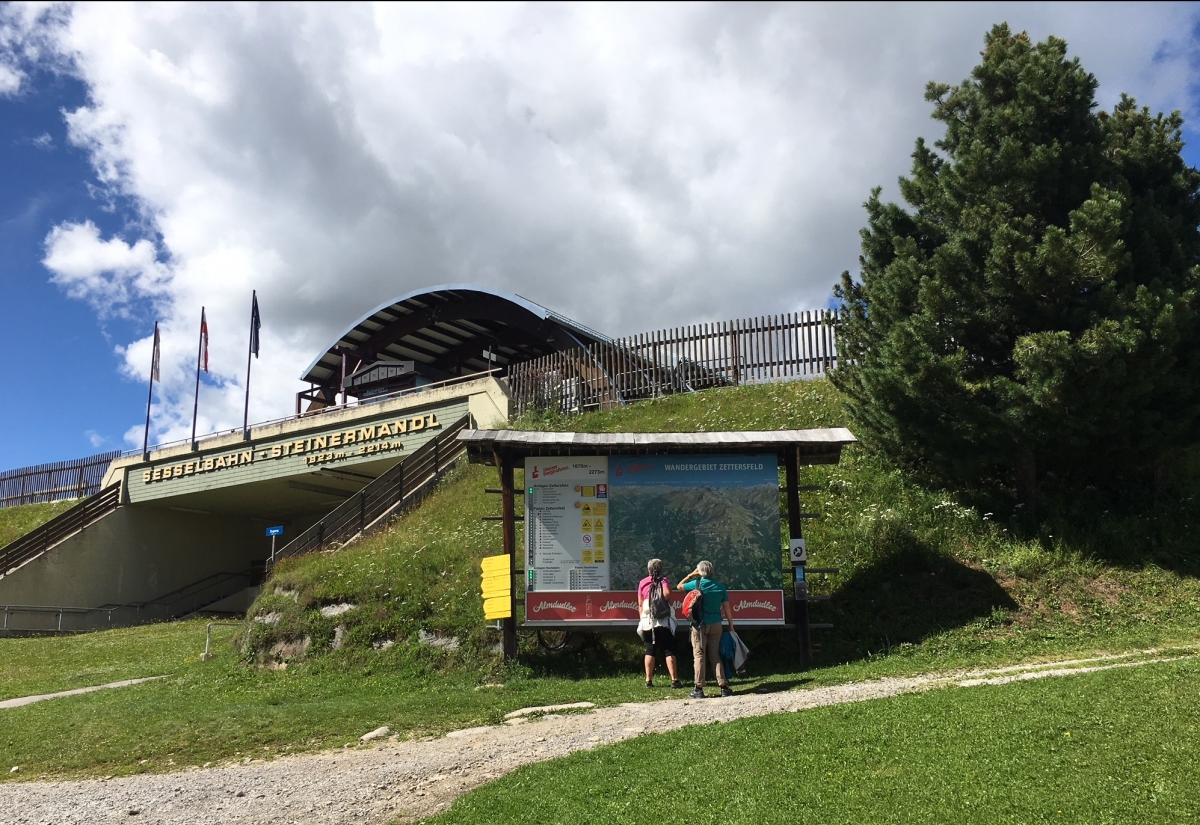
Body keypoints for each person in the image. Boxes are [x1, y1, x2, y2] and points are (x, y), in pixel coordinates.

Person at [678, 560, 735, 698]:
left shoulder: (696, 584)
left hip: (699, 625)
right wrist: (731, 625)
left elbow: (679, 586)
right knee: (715, 655)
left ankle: (699, 688)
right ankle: (723, 686)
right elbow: (727, 608)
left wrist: (691, 575)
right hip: (716, 624)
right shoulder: (720, 586)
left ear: (700, 571)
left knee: (699, 655)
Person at [638, 559, 682, 689]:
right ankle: (674, 680)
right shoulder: (664, 580)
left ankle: (648, 680)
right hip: (663, 620)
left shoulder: (643, 582)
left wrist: (642, 618)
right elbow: (667, 594)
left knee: (650, 649)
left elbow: (640, 603)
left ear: (649, 569)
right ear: (661, 569)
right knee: (668, 649)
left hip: (648, 621)